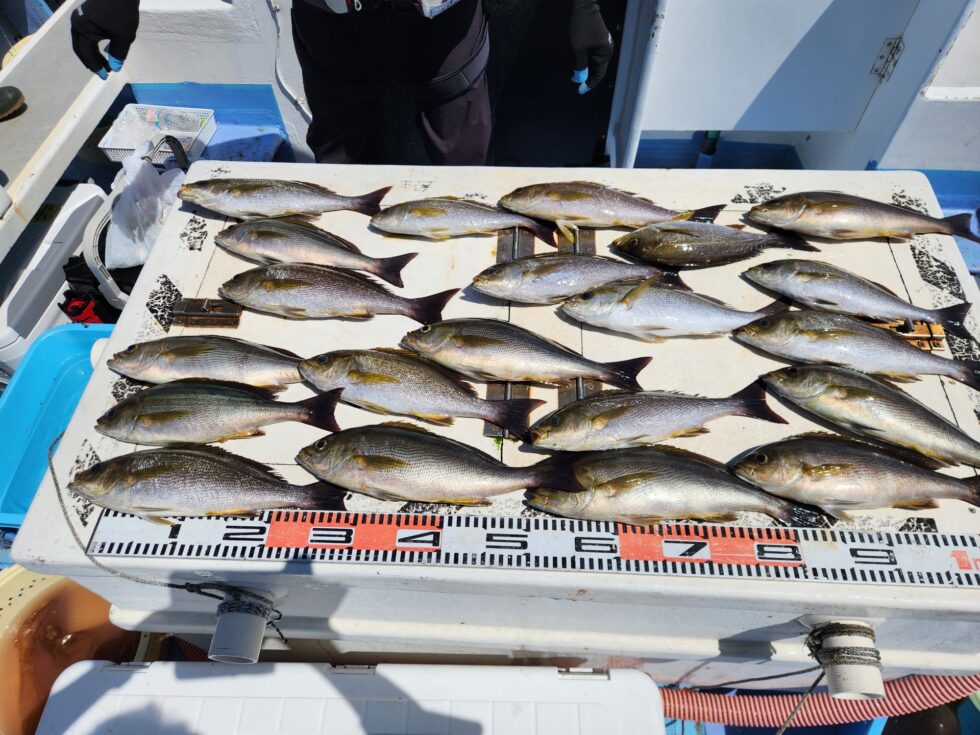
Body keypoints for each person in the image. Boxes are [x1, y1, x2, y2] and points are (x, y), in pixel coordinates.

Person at [70, 0, 613, 165]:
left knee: (463, 162)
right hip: (334, 29)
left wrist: (584, 5)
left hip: (443, 30)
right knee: (340, 160)